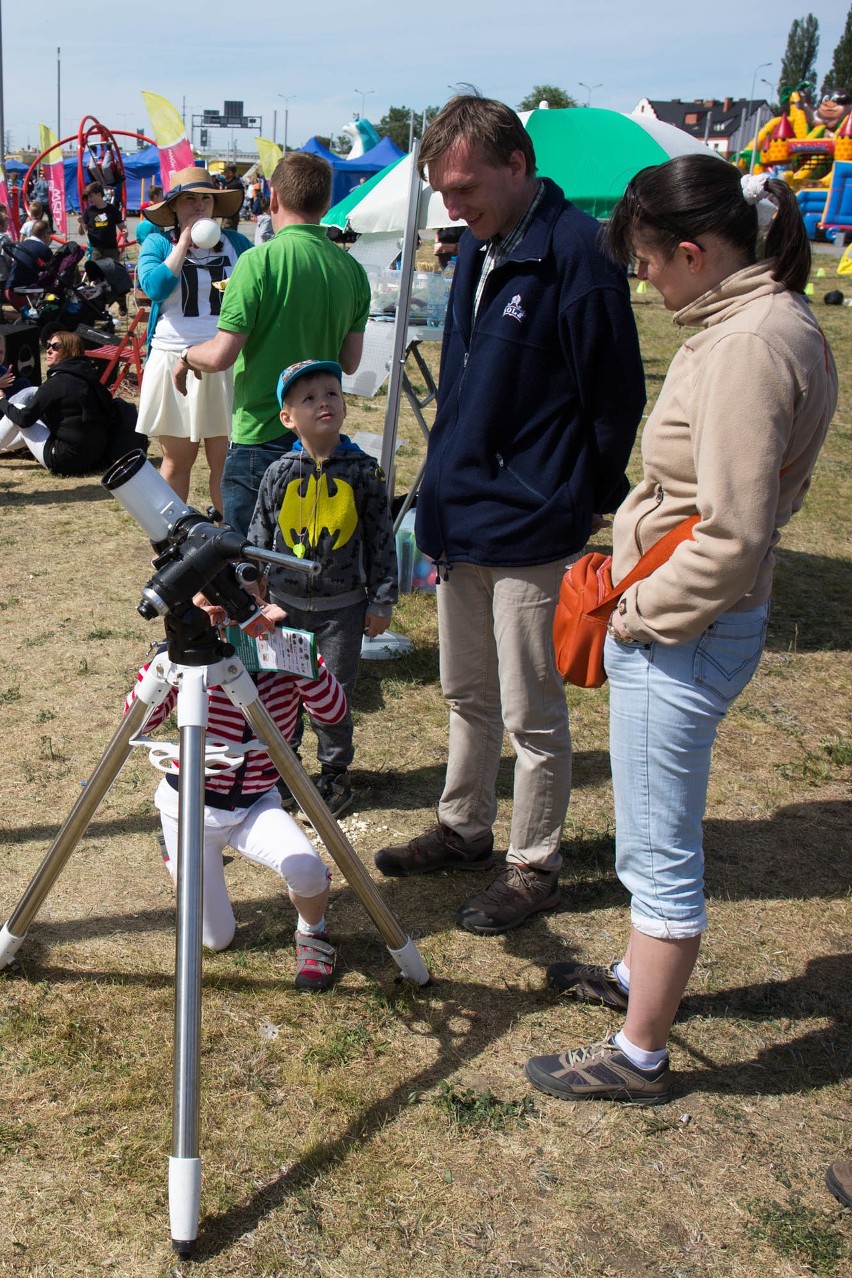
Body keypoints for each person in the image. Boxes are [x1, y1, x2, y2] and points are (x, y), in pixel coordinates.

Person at [524, 156, 838, 1106]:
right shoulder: (750, 321)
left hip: (683, 628)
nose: (647, 283)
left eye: (652, 264)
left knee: (658, 848)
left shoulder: (747, 347)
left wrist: (637, 613)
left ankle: (641, 1051)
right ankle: (635, 980)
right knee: (651, 829)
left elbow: (733, 531)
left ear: (695, 253)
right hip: (690, 621)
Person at [373, 95, 645, 935]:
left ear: (517, 165)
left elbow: (615, 397)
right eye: (442, 192)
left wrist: (576, 494)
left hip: (531, 524)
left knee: (533, 711)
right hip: (463, 517)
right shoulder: (477, 252)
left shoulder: (578, 255)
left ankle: (534, 864)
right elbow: (461, 391)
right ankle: (464, 828)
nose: (451, 208)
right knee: (466, 692)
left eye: (463, 187)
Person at [125, 602, 348, 989]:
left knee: (308, 872)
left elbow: (332, 713)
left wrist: (295, 654)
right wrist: (174, 652)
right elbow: (136, 718)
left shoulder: (283, 649)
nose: (223, 610)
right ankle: (177, 855)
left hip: (254, 804)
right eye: (208, 600)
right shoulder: (187, 656)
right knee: (216, 939)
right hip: (189, 807)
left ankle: (313, 932)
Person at [172, 151, 370, 536]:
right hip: (318, 435)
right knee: (305, 553)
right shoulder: (352, 270)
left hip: (259, 436)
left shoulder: (258, 262)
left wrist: (185, 356)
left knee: (249, 565)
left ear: (273, 197)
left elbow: (220, 356)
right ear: (326, 203)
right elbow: (350, 361)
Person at [248, 359, 397, 816]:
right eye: (308, 398)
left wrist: (382, 600)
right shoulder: (279, 472)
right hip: (283, 609)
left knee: (332, 694)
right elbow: (259, 533)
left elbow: (380, 542)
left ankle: (334, 774)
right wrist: (253, 586)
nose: (323, 403)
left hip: (343, 610)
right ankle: (285, 769)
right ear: (288, 417)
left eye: (331, 393)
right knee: (281, 688)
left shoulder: (363, 472)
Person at [135, 167, 251, 513]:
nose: (199, 207)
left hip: (225, 358)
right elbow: (153, 287)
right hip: (173, 358)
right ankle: (173, 544)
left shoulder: (238, 245)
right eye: (190, 199)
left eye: (206, 199)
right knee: (175, 462)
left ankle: (233, 549)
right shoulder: (158, 242)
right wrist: (184, 242)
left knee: (227, 465)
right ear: (173, 207)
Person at [0, 329, 122, 474]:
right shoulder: (90, 379)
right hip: (93, 459)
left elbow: (24, 420)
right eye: (48, 346)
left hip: (63, 459)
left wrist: (2, 400)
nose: (49, 351)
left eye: (55, 346)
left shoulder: (57, 382)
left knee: (18, 409)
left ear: (70, 351)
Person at [4, 219, 52, 312]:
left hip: (10, 288)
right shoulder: (43, 249)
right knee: (33, 317)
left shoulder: (22, 245)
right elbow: (52, 271)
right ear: (45, 234)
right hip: (22, 293)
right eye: (49, 233)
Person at [77, 182, 126, 264]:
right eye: (88, 197)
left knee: (113, 274)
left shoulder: (112, 210)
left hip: (111, 250)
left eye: (91, 196)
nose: (89, 199)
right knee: (96, 274)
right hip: (96, 251)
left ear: (99, 194)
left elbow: (122, 227)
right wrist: (80, 223)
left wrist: (125, 231)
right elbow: (81, 232)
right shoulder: (88, 211)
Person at [220, 165, 244, 231]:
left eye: (225, 172)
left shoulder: (234, 185)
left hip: (231, 214)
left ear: (230, 173)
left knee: (228, 232)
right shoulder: (229, 184)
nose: (223, 174)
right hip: (227, 213)